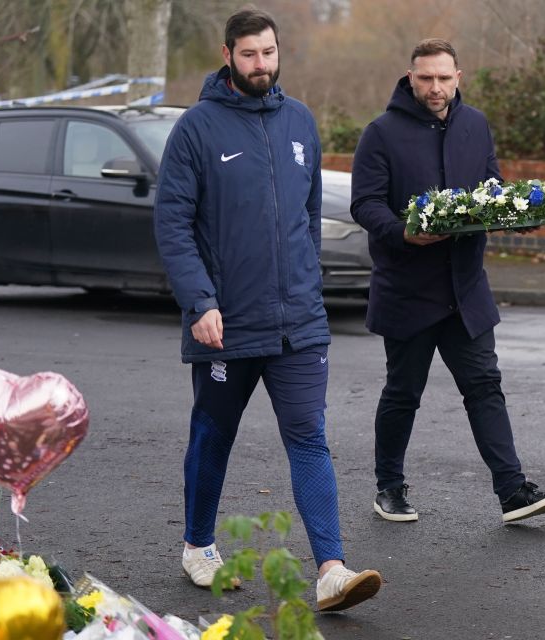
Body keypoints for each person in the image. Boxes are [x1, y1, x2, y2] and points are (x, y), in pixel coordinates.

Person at [153, 6, 381, 612]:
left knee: (309, 437)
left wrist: (306, 281)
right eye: (250, 54)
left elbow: (307, 215)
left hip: (300, 321)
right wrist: (200, 301)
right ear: (228, 55)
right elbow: (172, 224)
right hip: (225, 322)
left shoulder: (301, 121)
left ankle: (331, 569)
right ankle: (198, 544)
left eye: (270, 53)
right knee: (213, 433)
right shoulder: (196, 129)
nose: (262, 64)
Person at [350, 38, 545, 524]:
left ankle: (513, 492)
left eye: (444, 78)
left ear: (458, 77)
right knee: (404, 392)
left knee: (485, 385)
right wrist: (403, 232)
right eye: (425, 78)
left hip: (465, 289)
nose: (435, 87)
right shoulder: (380, 133)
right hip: (408, 290)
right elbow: (364, 203)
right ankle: (389, 487)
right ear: (410, 77)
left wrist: (517, 215)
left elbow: (490, 188)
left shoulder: (475, 124)